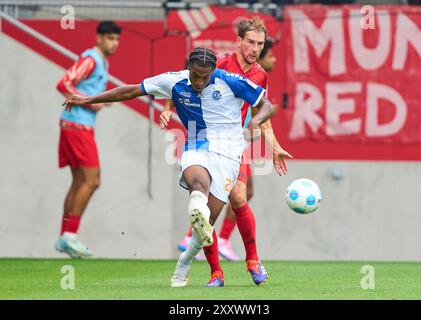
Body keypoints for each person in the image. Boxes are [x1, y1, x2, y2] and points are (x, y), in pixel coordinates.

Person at [61, 47, 276, 287]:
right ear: (188, 69)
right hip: (196, 146)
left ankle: (184, 261)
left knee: (207, 224)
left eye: (205, 77)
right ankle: (210, 251)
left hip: (229, 154)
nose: (200, 81)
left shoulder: (231, 81)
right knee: (198, 185)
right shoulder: (174, 81)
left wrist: (256, 121)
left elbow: (267, 105)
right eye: (195, 75)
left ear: (213, 71)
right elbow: (132, 90)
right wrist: (89, 98)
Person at [168, 17, 292, 287]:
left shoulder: (260, 74)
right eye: (250, 42)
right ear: (238, 41)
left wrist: (276, 146)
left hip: (233, 143)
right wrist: (168, 106)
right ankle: (216, 272)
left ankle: (253, 261)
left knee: (239, 195)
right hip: (204, 141)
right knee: (217, 205)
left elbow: (261, 111)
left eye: (260, 44)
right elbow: (183, 78)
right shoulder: (220, 62)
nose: (255, 48)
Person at [55, 21, 121, 258]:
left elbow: (84, 89)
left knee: (78, 181)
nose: (114, 43)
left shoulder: (101, 61)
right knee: (93, 181)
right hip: (78, 126)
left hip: (74, 126)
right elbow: (64, 82)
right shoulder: (91, 58)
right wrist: (89, 102)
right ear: (99, 38)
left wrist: (99, 100)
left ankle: (65, 237)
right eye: (110, 38)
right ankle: (70, 235)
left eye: (117, 39)